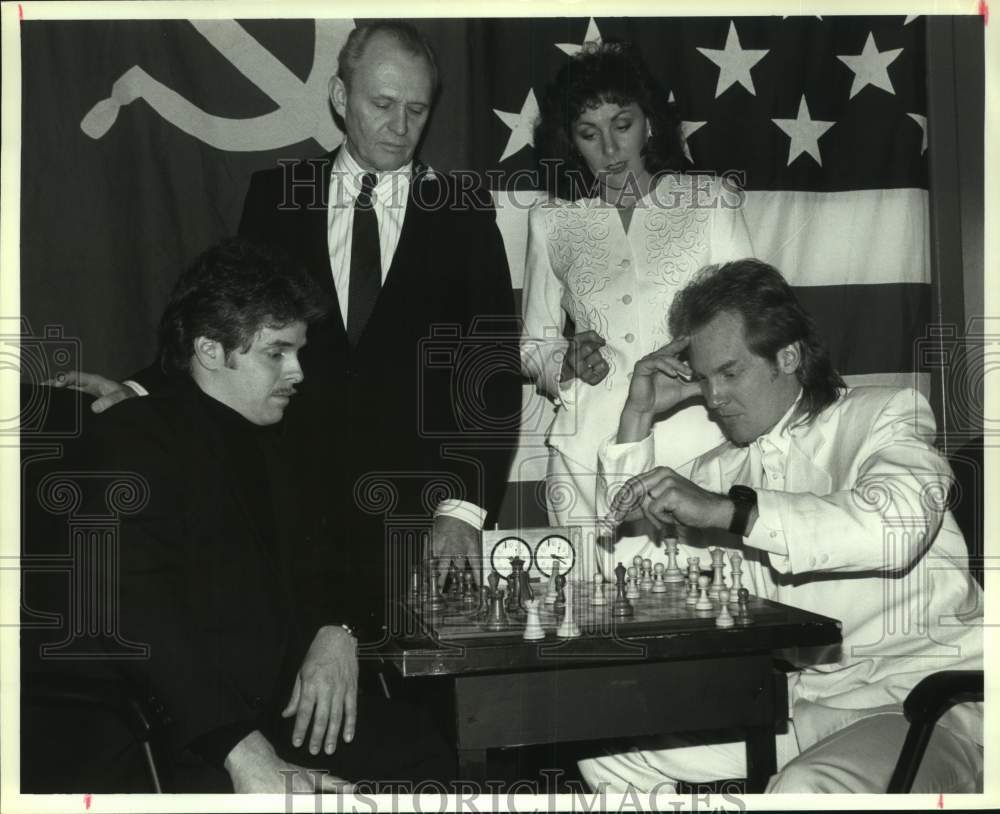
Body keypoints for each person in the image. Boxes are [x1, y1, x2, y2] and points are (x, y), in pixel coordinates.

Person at [54, 21, 521, 646]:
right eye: (381, 105)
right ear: (338, 96)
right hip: (286, 515)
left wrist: (462, 511)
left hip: (416, 521)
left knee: (417, 725)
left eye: (417, 109)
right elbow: (228, 323)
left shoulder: (464, 215)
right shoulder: (276, 198)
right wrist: (142, 391)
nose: (400, 126)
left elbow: (490, 374)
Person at [580, 259, 983, 793]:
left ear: (788, 355)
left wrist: (732, 514)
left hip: (921, 702)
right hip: (801, 709)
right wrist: (638, 416)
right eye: (704, 378)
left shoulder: (886, 414)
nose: (714, 398)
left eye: (729, 372)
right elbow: (622, 563)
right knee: (609, 752)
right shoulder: (720, 470)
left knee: (803, 789)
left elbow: (896, 528)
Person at [94, 238, 452, 792]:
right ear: (211, 350)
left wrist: (339, 630)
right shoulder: (138, 437)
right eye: (277, 353)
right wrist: (238, 750)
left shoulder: (280, 440)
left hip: (282, 711)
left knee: (422, 747)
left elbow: (340, 562)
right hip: (188, 734)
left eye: (300, 352)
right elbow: (139, 619)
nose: (299, 372)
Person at [520, 41, 752, 577]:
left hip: (700, 446)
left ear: (650, 124)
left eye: (621, 123)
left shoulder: (710, 201)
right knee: (592, 620)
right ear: (571, 143)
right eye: (588, 133)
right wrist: (565, 362)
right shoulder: (552, 223)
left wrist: (701, 378)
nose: (609, 146)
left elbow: (751, 325)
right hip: (586, 459)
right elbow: (533, 346)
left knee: (705, 613)